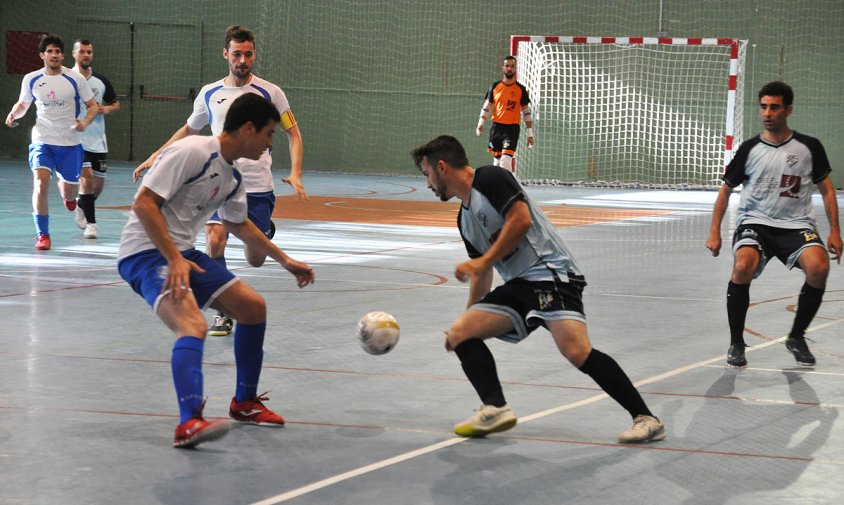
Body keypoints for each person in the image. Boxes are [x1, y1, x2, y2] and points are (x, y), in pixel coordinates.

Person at [410, 135, 665, 443]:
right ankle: (495, 408)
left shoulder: (490, 178)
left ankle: (646, 418)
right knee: (460, 333)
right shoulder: (464, 220)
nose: (427, 184)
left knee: (577, 352)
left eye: (426, 175)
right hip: (520, 285)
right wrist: (468, 322)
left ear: (441, 167)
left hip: (551, 273)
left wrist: (483, 262)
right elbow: (483, 272)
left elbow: (521, 221)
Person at [117, 93, 315, 448]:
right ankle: (188, 422)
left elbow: (239, 225)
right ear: (248, 128)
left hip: (182, 253)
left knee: (252, 308)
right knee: (192, 325)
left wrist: (285, 260)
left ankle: (244, 403)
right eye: (269, 135)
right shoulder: (193, 151)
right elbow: (144, 203)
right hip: (145, 253)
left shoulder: (233, 176)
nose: (271, 143)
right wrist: (174, 259)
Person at [133, 25, 306, 337]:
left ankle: (263, 231)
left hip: (256, 188)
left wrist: (295, 172)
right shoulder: (210, 93)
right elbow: (188, 131)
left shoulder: (271, 93)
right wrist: (155, 155)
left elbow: (292, 132)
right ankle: (223, 311)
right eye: (237, 53)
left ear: (254, 55)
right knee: (215, 239)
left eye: (248, 54)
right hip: (219, 182)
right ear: (226, 54)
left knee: (255, 260)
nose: (243, 59)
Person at [706, 81, 841, 368]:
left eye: (774, 107)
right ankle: (737, 342)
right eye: (764, 107)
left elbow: (827, 189)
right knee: (742, 267)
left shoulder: (809, 147)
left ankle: (797, 336)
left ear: (788, 110)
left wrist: (835, 232)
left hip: (796, 224)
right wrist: (714, 230)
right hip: (755, 222)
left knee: (819, 268)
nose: (768, 113)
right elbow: (726, 189)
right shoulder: (750, 148)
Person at [5, 34, 98, 250]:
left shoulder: (75, 79)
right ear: (42, 55)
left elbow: (93, 105)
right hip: (42, 140)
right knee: (40, 183)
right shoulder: (31, 79)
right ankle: (43, 235)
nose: (54, 55)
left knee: (70, 192)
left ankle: (68, 194)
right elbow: (22, 104)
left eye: (57, 51)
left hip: (70, 143)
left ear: (63, 55)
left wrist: (84, 122)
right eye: (49, 51)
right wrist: (13, 114)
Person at [72, 38, 120, 239]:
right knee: (87, 178)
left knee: (97, 186)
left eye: (89, 52)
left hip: (98, 140)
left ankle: (81, 204)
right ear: (74, 54)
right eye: (82, 51)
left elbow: (115, 103)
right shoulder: (67, 79)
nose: (86, 55)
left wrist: (105, 109)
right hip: (76, 139)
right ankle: (92, 225)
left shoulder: (100, 81)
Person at [475, 55, 535, 173]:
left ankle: (508, 188)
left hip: (511, 129)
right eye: (507, 66)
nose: (509, 68)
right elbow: (486, 107)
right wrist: (480, 124)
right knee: (497, 162)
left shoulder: (520, 89)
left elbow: (526, 113)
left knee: (505, 161)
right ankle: (498, 188)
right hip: (496, 128)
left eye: (512, 66)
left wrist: (530, 134)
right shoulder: (495, 86)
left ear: (515, 69)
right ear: (503, 68)